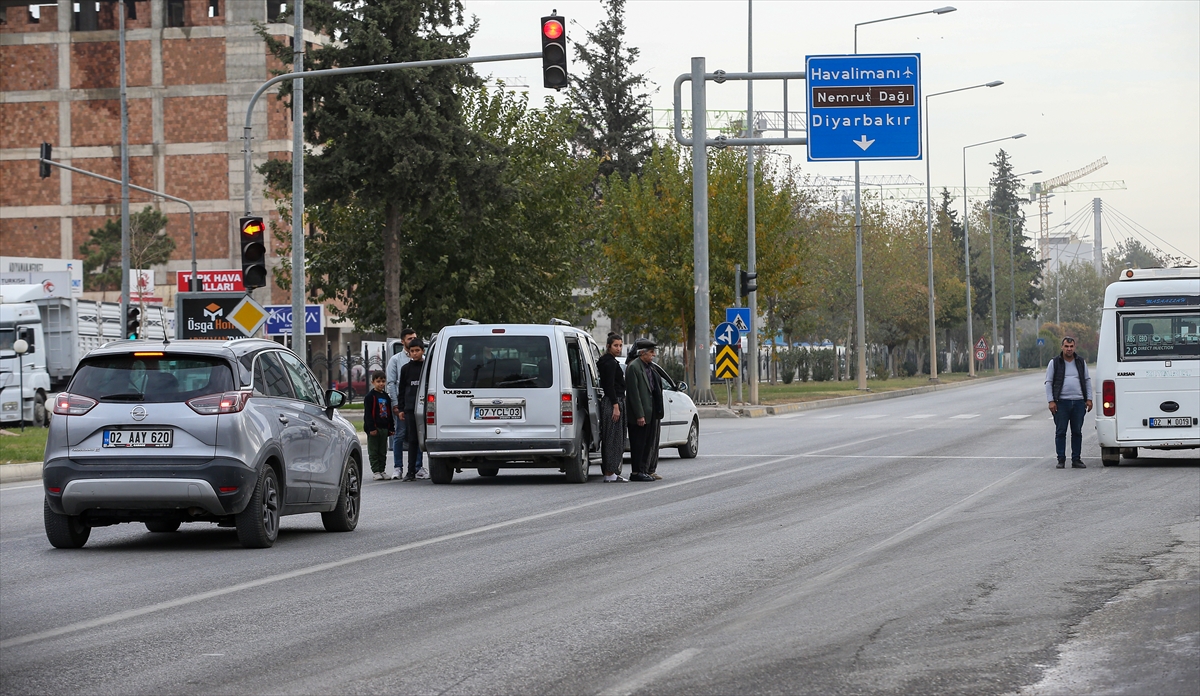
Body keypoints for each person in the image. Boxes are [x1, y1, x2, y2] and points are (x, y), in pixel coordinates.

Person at [1045, 336, 1093, 469]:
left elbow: (1087, 380)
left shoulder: (1080, 362)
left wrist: (1089, 399)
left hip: (1078, 402)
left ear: (1074, 347)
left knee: (1077, 431)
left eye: (1071, 346)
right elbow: (1048, 382)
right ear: (1062, 347)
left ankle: (1076, 459)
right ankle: (1061, 459)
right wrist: (1051, 401)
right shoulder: (1054, 363)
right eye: (1066, 346)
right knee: (1061, 432)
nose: (1069, 349)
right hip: (1061, 403)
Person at [625, 339, 664, 482]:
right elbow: (634, 394)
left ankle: (644, 470)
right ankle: (636, 472)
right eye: (651, 352)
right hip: (640, 414)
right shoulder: (634, 367)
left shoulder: (649, 367)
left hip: (650, 412)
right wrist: (639, 414)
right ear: (642, 353)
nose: (653, 355)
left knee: (647, 442)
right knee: (638, 443)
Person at [386, 328, 418, 478]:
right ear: (403, 341)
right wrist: (395, 405)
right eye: (410, 338)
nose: (412, 340)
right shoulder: (396, 360)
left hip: (417, 404)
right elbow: (391, 383)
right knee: (400, 435)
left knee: (416, 436)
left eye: (414, 338)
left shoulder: (420, 360)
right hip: (402, 404)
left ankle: (418, 467)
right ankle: (398, 467)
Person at [597, 333, 628, 482]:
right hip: (612, 402)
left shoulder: (609, 361)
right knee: (613, 439)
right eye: (615, 345)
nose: (618, 348)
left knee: (615, 438)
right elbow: (609, 386)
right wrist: (616, 406)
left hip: (614, 401)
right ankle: (609, 473)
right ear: (609, 346)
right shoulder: (609, 363)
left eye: (620, 345)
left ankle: (611, 472)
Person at [396, 339, 427, 481]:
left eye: (417, 350)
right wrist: (401, 408)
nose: (414, 353)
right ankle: (411, 471)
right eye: (412, 351)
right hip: (410, 408)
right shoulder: (405, 369)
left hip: (426, 408)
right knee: (412, 440)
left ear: (423, 351)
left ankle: (427, 468)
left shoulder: (427, 367)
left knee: (428, 439)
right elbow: (401, 389)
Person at [362, 371, 394, 480]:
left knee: (382, 451)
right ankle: (376, 471)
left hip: (384, 428)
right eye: (378, 381)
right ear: (373, 382)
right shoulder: (370, 397)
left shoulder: (386, 397)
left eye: (383, 381)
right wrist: (371, 428)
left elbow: (389, 414)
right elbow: (368, 414)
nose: (381, 384)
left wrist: (391, 428)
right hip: (374, 429)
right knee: (374, 451)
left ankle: (382, 470)